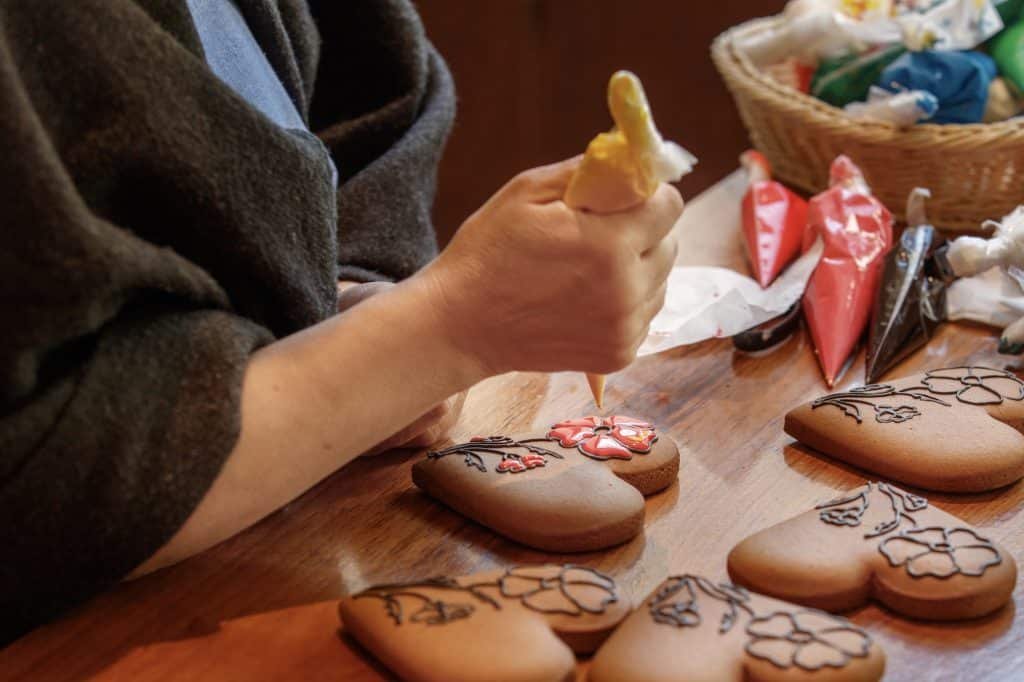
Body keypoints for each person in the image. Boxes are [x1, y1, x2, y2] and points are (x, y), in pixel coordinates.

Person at [0, 0, 682, 643]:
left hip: (312, 531)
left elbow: (370, 90)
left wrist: (350, 291)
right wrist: (441, 330)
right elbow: (35, 473)